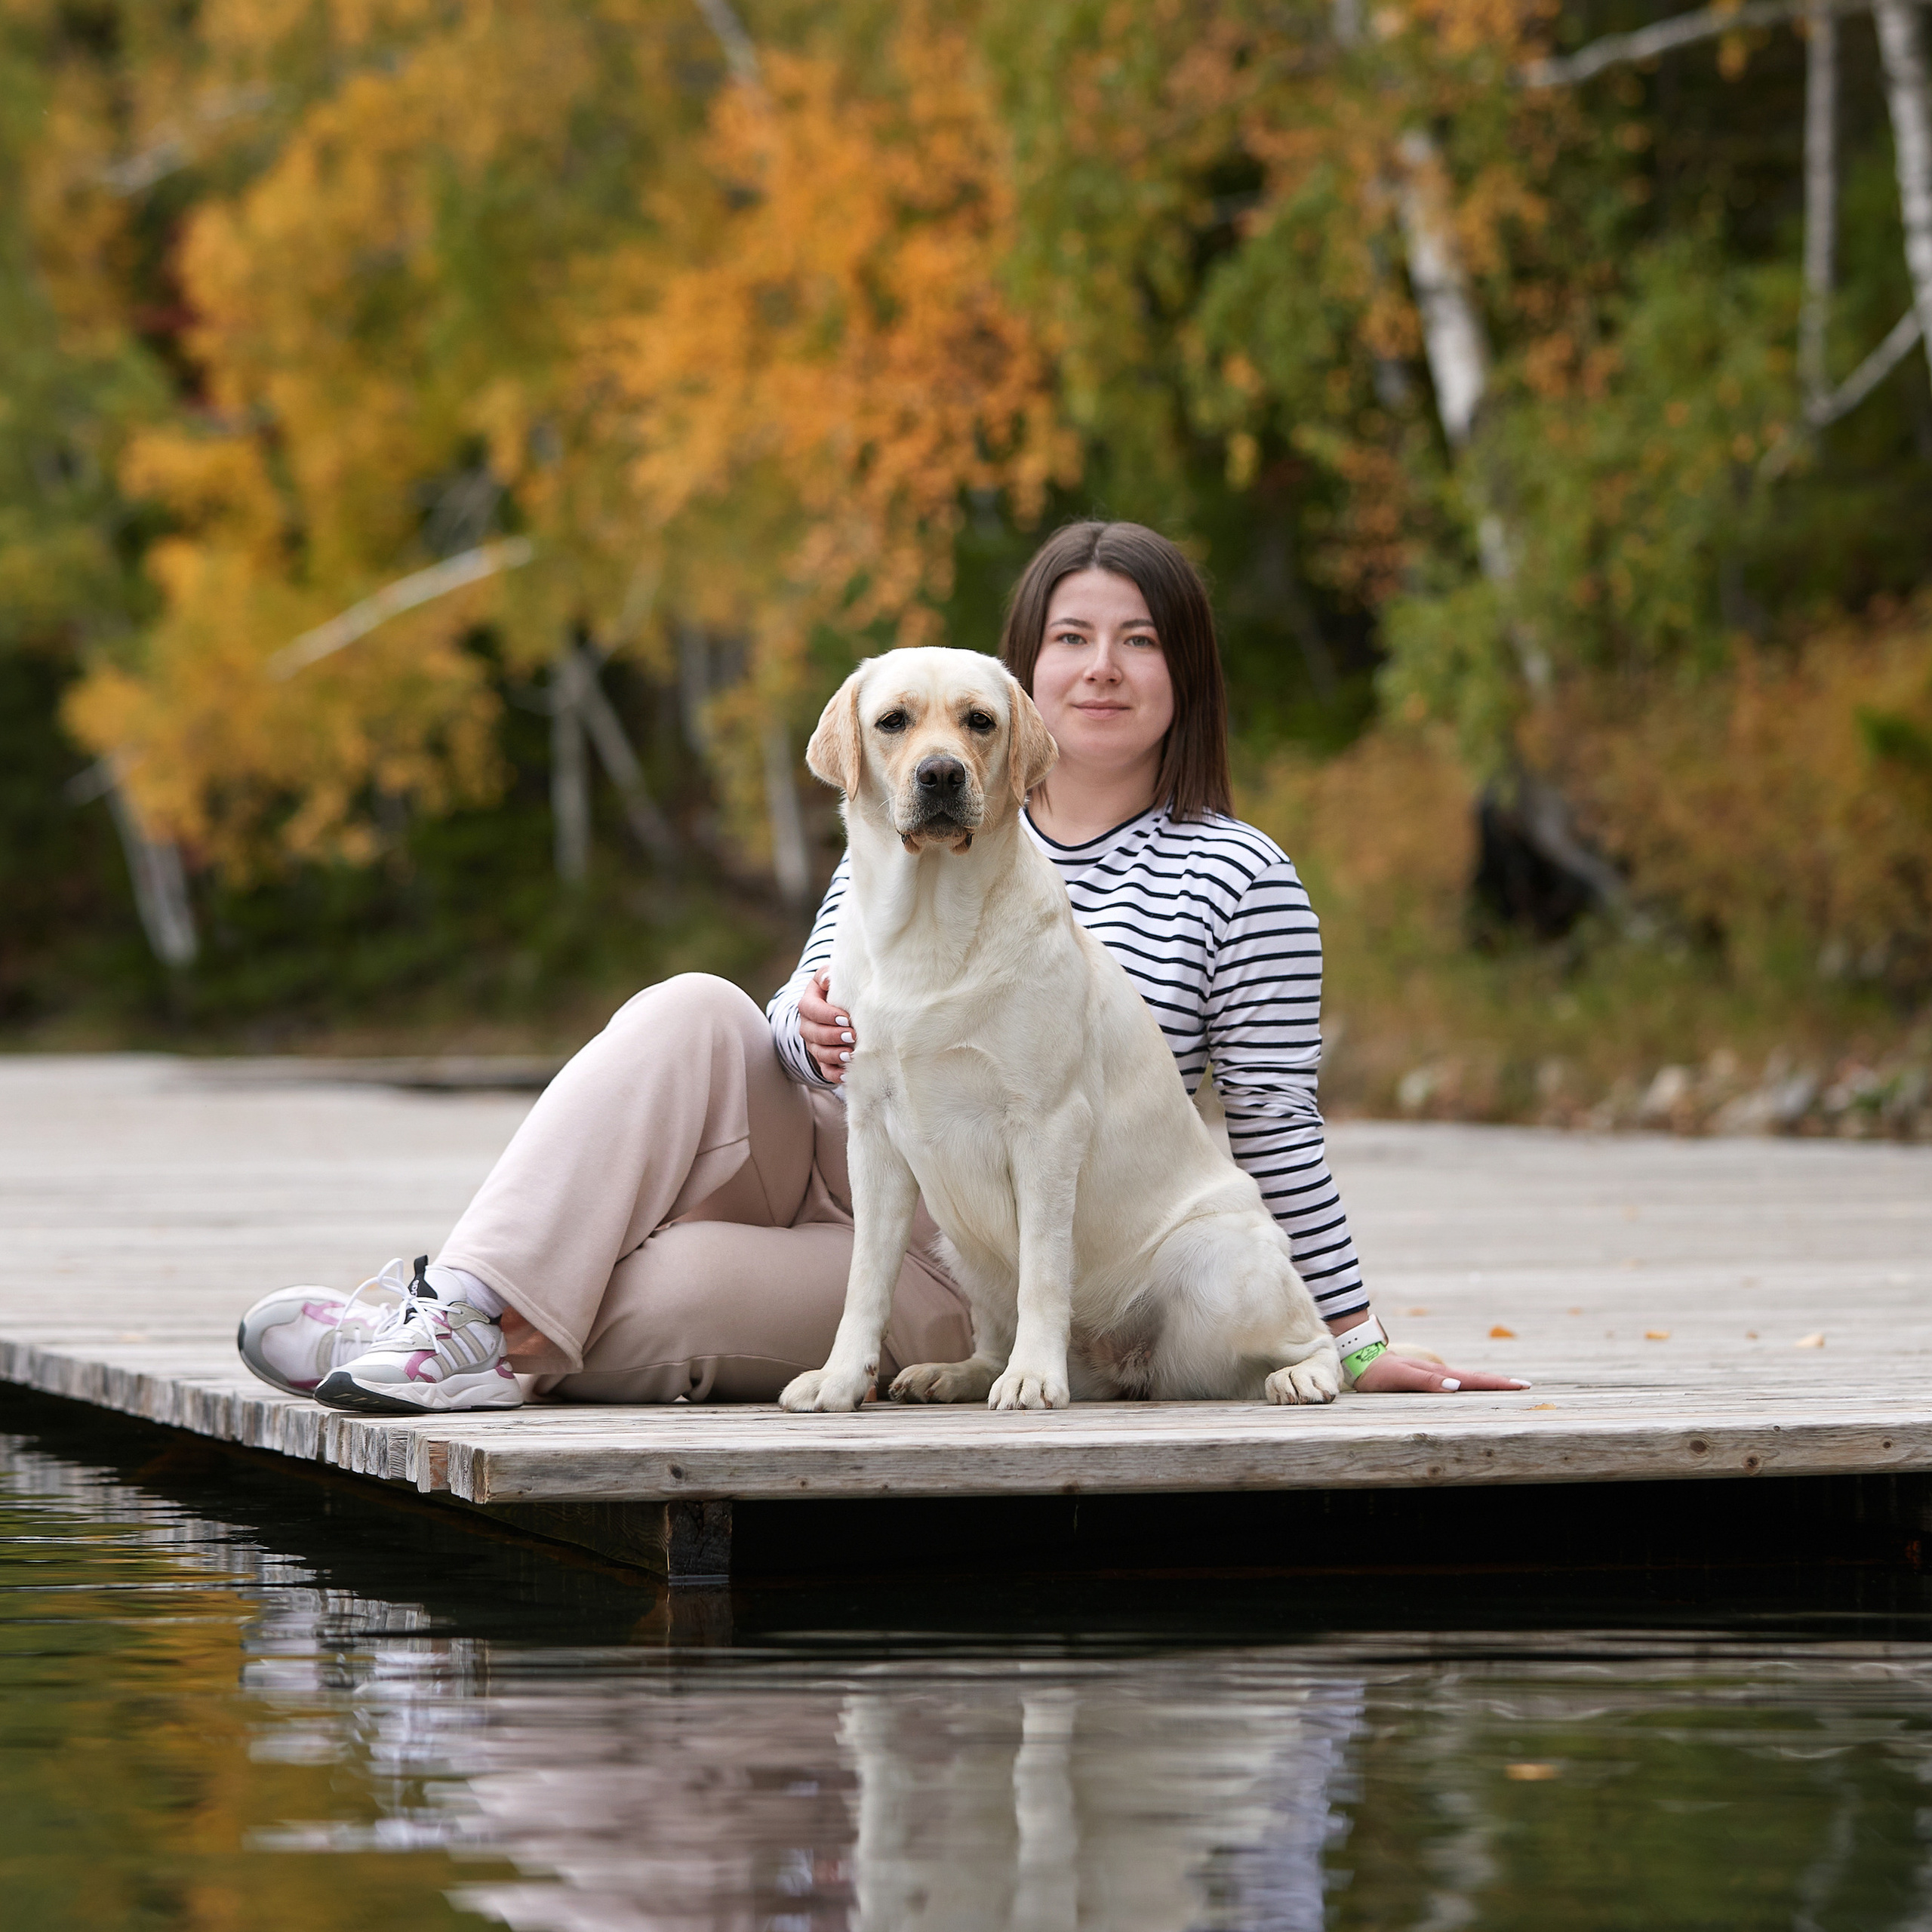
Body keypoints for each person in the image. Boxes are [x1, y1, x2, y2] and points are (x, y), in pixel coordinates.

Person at [236, 520, 1527, 1412]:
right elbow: (796, 1032)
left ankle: (448, 1338)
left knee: (667, 1295)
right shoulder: (895, 828)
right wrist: (802, 1025)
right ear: (1029, 669)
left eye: (1140, 641)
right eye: (1072, 638)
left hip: (972, 1263)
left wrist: (1350, 1341)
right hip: (843, 1149)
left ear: (1182, 674)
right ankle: (455, 1305)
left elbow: (1276, 1122)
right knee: (693, 1011)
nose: (1102, 668)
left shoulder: (1239, 875)